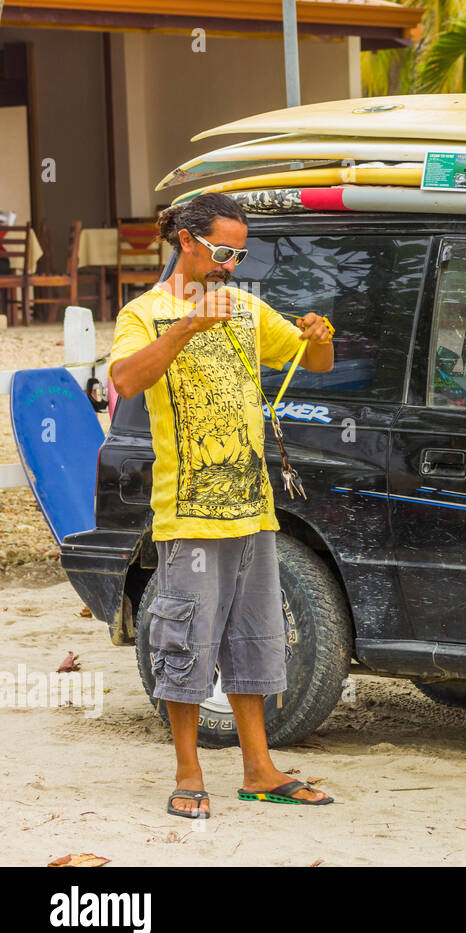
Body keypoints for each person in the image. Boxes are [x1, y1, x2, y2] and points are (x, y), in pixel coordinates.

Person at [108, 193, 336, 819]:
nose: (231, 264)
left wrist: (318, 337)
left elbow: (311, 360)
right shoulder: (145, 313)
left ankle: (259, 768)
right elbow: (125, 381)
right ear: (186, 240)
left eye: (239, 253)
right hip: (189, 510)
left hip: (252, 507)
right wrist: (186, 327)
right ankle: (188, 771)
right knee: (185, 639)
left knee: (255, 640)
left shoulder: (241, 307)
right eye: (222, 251)